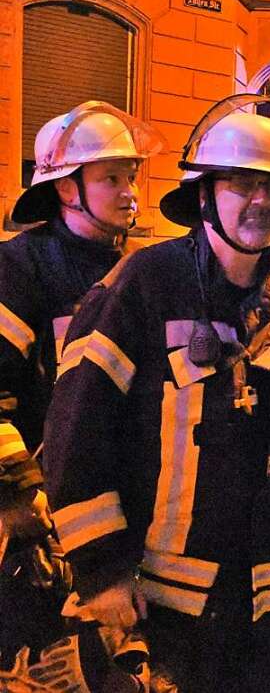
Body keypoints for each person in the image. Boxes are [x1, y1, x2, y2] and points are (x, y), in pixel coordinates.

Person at [43, 95, 270, 692]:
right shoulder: (142, 286)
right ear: (205, 194)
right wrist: (102, 571)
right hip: (169, 608)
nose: (259, 200)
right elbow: (76, 429)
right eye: (240, 182)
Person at [0, 101, 162, 686]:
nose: (130, 193)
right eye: (111, 178)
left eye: (132, 177)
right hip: (42, 517)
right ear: (67, 188)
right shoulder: (22, 267)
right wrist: (20, 502)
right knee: (47, 666)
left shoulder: (137, 269)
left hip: (119, 509)